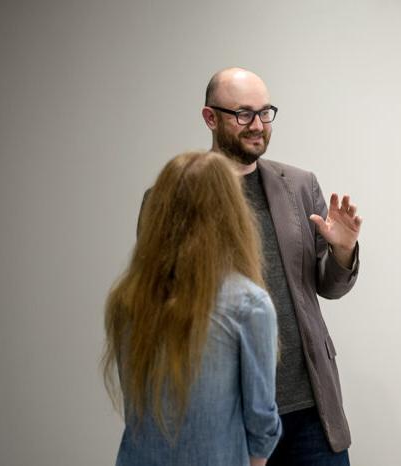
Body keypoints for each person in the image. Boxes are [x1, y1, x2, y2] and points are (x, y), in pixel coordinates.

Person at [200, 67, 362, 465]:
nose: (257, 125)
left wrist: (342, 252)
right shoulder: (179, 195)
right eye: (243, 114)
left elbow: (328, 285)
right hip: (226, 408)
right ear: (210, 117)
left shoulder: (300, 185)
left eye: (265, 112)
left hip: (308, 406)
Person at [102, 151, 281, 466]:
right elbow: (261, 419)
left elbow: (138, 407)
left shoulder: (127, 298)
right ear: (231, 212)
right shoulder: (248, 304)